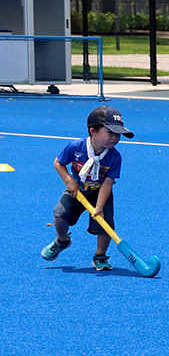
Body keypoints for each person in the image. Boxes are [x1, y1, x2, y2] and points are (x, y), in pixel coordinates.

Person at [41, 105, 134, 271]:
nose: (115, 138)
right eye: (110, 132)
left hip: (100, 193)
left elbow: (108, 182)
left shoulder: (114, 157)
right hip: (76, 190)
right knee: (59, 215)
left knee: (105, 225)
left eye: (118, 134)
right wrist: (69, 180)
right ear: (93, 131)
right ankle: (62, 241)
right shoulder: (75, 147)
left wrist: (99, 206)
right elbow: (58, 163)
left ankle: (100, 256)